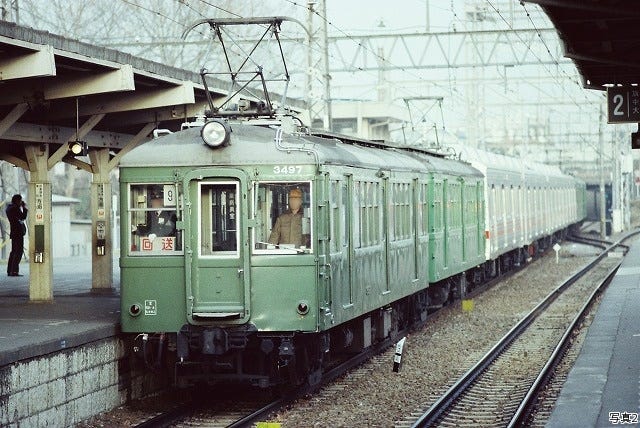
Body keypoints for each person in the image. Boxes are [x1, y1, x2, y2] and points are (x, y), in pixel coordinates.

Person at [5, 194, 27, 276]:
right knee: (18, 251)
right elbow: (23, 217)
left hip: (14, 232)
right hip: (18, 232)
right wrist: (24, 208)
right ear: (17, 200)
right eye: (20, 200)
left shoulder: (9, 208)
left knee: (14, 251)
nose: (21, 202)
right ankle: (14, 271)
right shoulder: (14, 208)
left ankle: (10, 270)